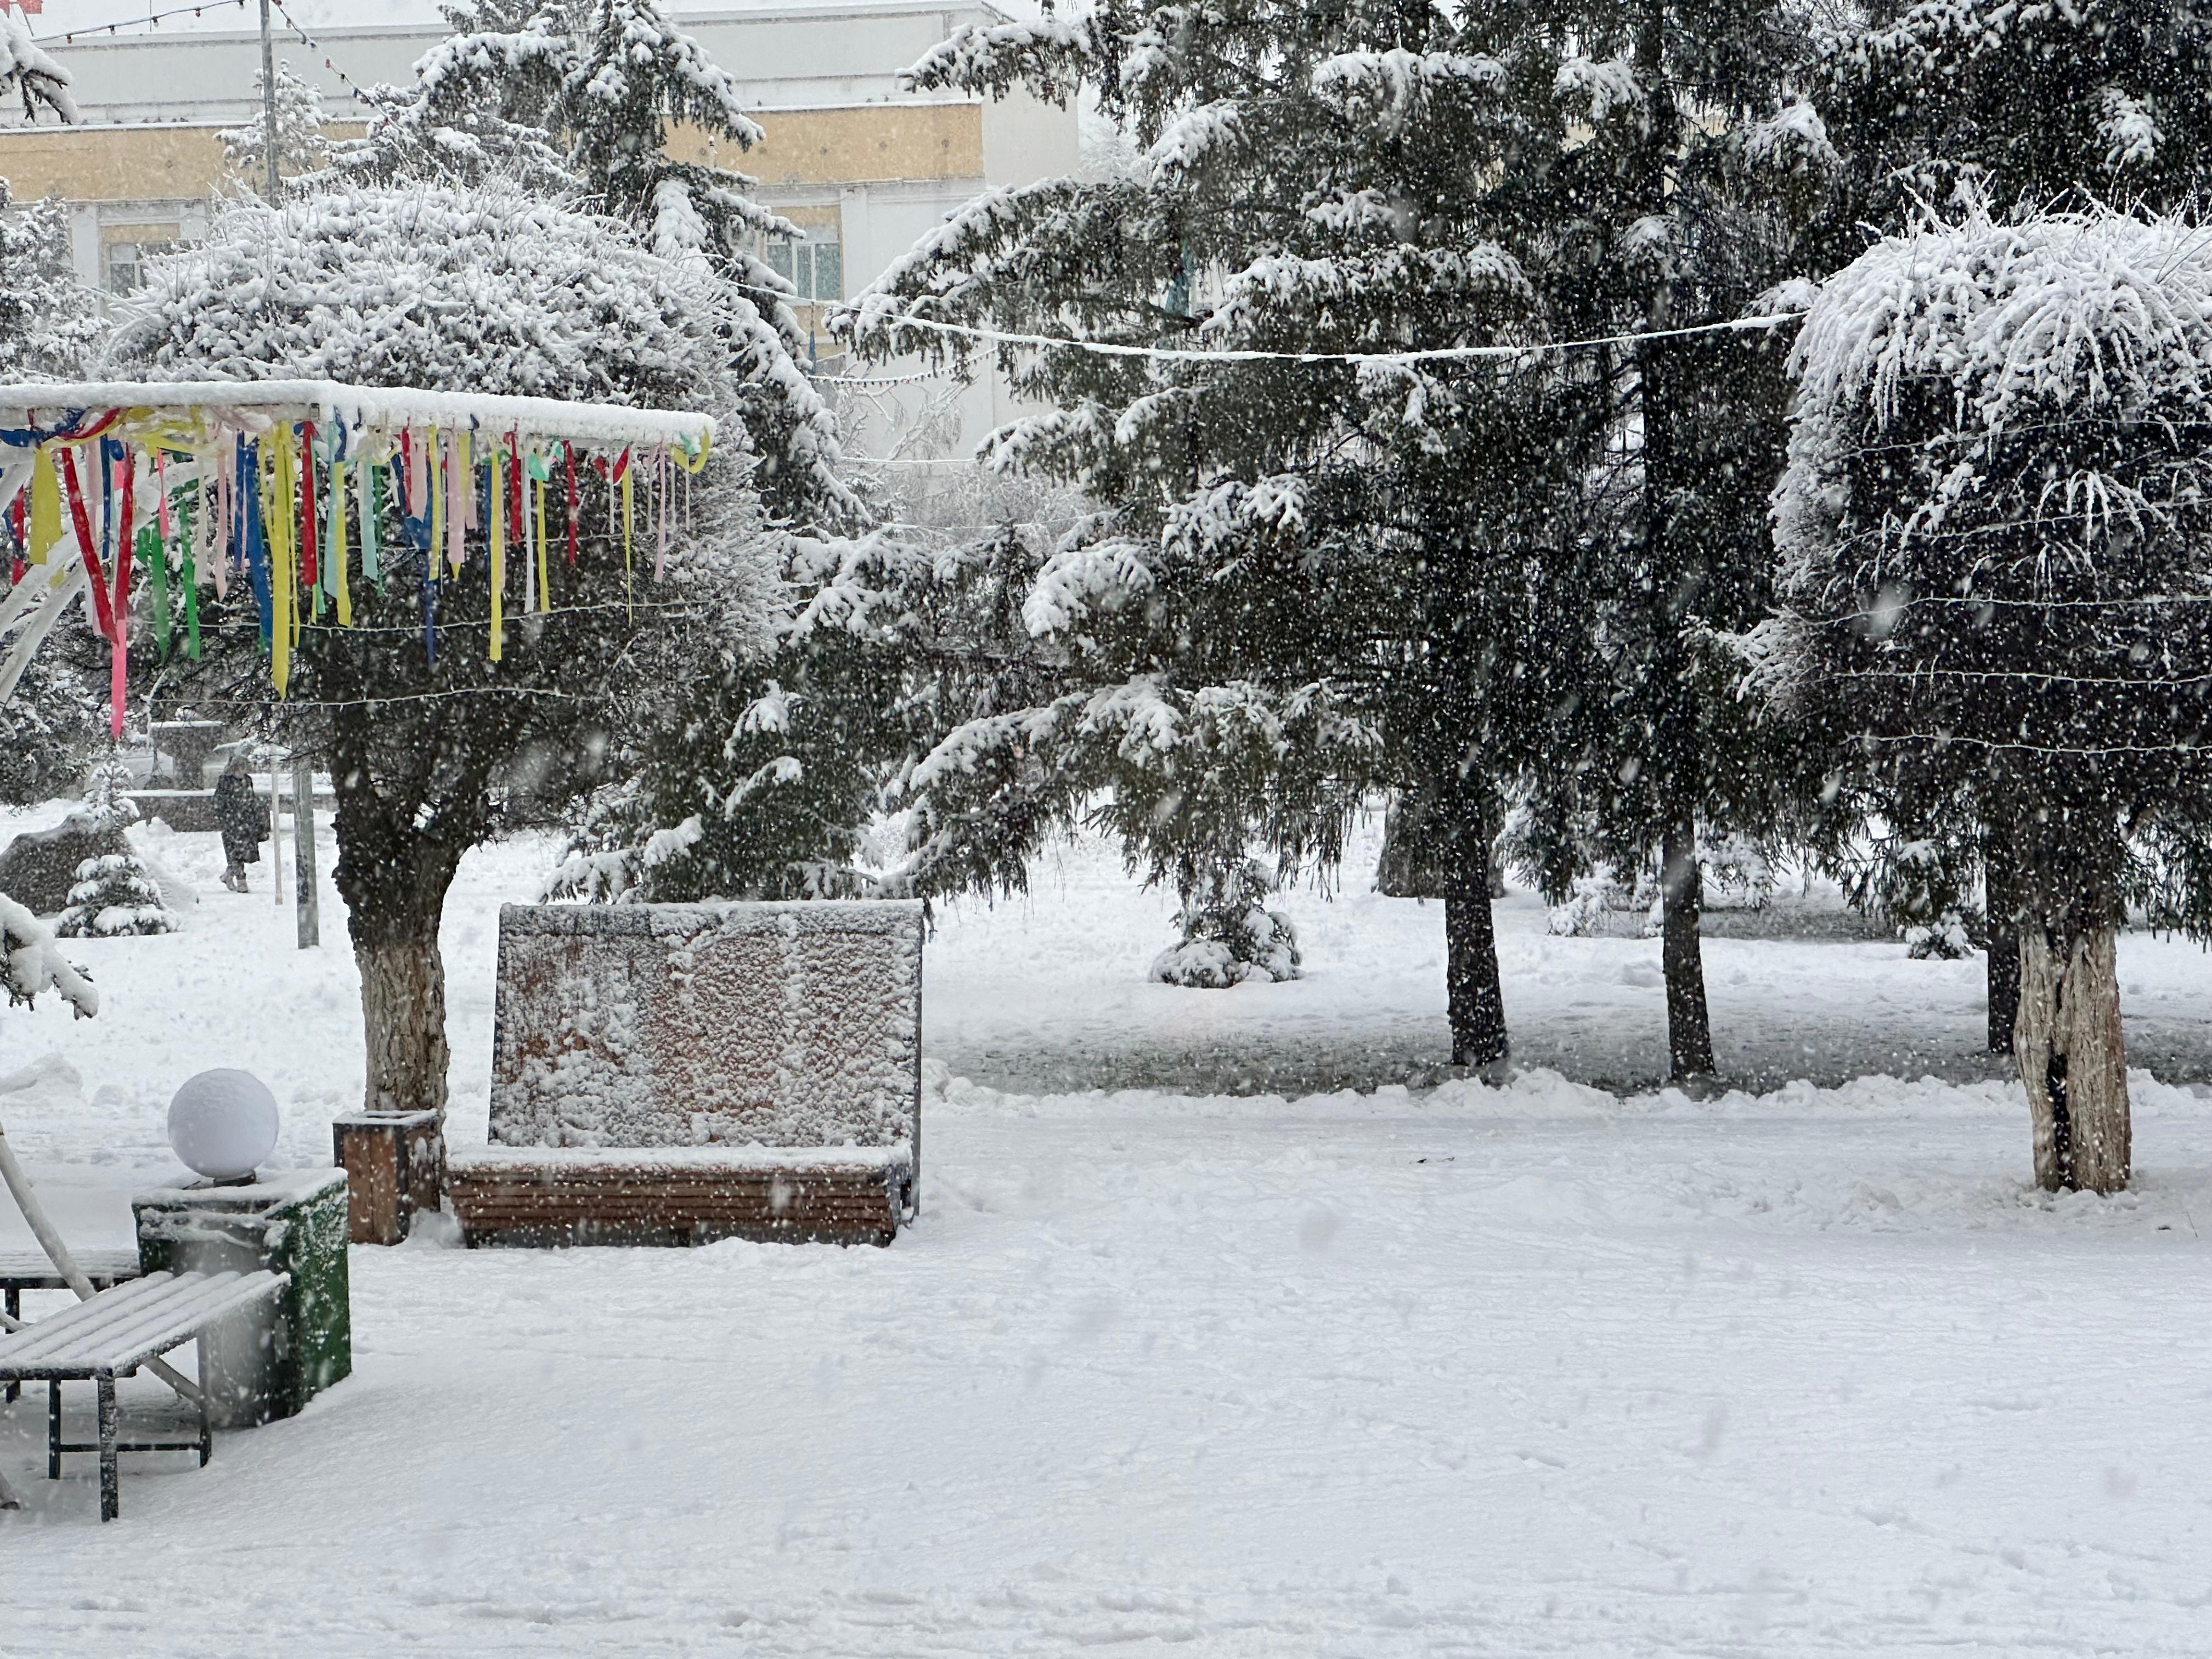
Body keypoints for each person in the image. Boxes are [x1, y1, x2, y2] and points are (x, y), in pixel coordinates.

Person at [213, 754, 266, 892]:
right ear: (234, 768)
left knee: (243, 853)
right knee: (235, 852)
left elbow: (252, 800)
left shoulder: (247, 781)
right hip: (232, 823)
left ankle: (229, 875)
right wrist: (225, 818)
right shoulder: (225, 781)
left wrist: (256, 819)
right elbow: (219, 801)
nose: (243, 770)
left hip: (246, 823)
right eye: (240, 767)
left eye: (244, 767)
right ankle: (242, 881)